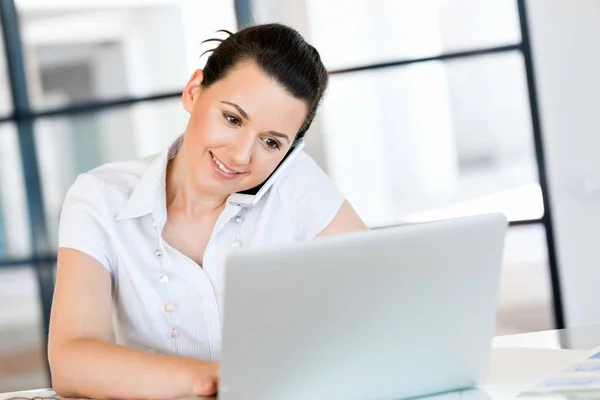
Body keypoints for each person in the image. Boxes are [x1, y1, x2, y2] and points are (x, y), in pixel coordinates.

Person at [48, 23, 367, 399]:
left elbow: (385, 299)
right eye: (232, 118)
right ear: (194, 91)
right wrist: (215, 381)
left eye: (270, 142)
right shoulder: (101, 198)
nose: (240, 155)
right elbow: (72, 361)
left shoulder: (295, 184)